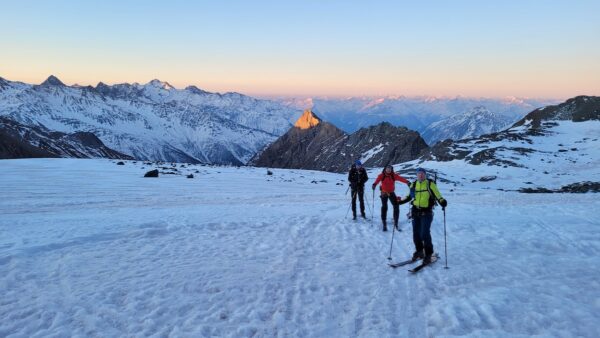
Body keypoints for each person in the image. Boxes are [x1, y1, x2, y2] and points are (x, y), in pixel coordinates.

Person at [398, 168, 447, 263]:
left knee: (424, 233)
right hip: (415, 212)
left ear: (425, 175)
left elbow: (438, 196)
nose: (420, 175)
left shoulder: (430, 184)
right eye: (419, 174)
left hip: (427, 212)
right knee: (416, 234)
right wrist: (399, 202)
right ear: (416, 175)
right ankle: (420, 251)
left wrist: (442, 202)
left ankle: (428, 254)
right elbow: (409, 197)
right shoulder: (414, 184)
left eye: (422, 174)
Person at [371, 165, 410, 231]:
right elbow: (377, 180)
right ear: (385, 169)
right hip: (384, 193)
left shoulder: (393, 175)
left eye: (390, 169)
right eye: (387, 168)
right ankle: (384, 221)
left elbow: (400, 178)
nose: (388, 170)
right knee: (384, 206)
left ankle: (396, 221)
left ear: (392, 170)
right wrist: (374, 184)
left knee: (396, 206)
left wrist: (407, 182)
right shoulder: (382, 175)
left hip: (391, 192)